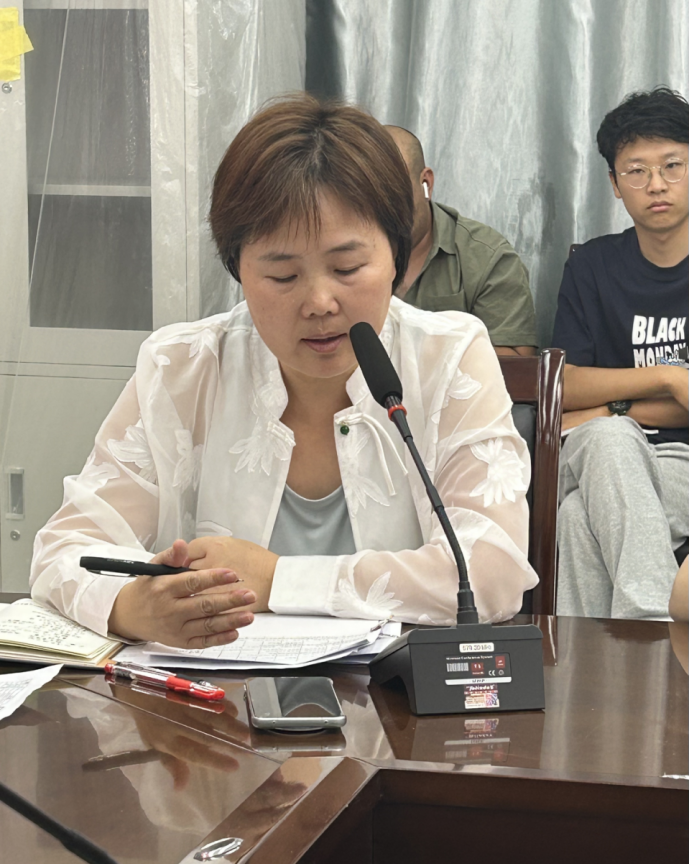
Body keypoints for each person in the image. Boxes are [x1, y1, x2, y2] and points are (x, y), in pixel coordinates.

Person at [30, 96, 537, 648]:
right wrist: (133, 607)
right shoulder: (183, 367)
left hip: (396, 697)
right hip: (216, 697)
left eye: (347, 267)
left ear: (397, 256)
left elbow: (492, 573)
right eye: (282, 276)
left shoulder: (450, 356)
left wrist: (276, 580)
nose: (319, 302)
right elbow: (65, 549)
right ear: (238, 271)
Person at [552, 87, 689, 619]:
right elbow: (563, 385)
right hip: (598, 451)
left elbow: (585, 402)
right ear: (614, 184)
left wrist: (610, 409)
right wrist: (669, 378)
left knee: (576, 518)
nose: (656, 184)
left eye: (672, 165)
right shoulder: (591, 266)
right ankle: (653, 631)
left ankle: (584, 671)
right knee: (608, 442)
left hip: (681, 463)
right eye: (636, 171)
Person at [384, 125, 538, 356]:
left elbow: (518, 366)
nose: (383, 206)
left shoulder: (487, 258)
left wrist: (420, 341)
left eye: (394, 190)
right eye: (369, 192)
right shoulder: (340, 253)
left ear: (426, 183)